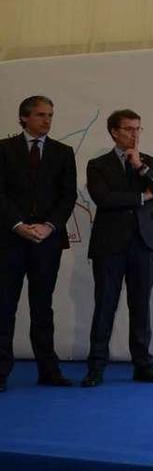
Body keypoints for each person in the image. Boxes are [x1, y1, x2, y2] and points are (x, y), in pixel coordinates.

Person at [81, 109, 153, 387]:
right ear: (114, 132)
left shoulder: (151, 162)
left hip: (144, 244)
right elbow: (104, 199)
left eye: (138, 129)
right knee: (105, 305)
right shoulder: (98, 165)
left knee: (140, 306)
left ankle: (142, 364)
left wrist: (141, 169)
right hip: (110, 245)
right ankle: (96, 367)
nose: (135, 134)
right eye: (129, 129)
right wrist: (142, 197)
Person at [0, 96, 77, 392]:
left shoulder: (63, 152)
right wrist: (18, 225)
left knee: (42, 307)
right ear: (23, 118)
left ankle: (49, 370)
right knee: (4, 307)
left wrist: (48, 226)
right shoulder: (4, 150)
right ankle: (1, 372)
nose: (47, 120)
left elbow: (67, 196)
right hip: (9, 240)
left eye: (51, 115)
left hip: (47, 241)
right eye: (41, 115)